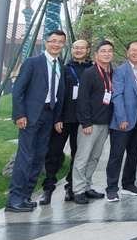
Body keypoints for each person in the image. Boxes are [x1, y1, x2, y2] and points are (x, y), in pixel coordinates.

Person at [6, 29, 68, 212]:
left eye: (60, 42)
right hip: (31, 116)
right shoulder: (33, 63)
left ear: (63, 45)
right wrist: (19, 115)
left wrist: (57, 118)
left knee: (39, 157)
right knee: (25, 157)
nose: (56, 44)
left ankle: (25, 196)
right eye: (53, 41)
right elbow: (18, 90)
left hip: (49, 116)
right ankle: (14, 199)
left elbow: (59, 94)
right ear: (46, 42)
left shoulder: (60, 66)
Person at [39, 37, 90, 205]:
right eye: (76, 48)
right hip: (63, 119)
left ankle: (71, 186)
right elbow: (57, 94)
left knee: (78, 155)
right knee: (53, 153)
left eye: (82, 48)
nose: (79, 50)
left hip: (82, 121)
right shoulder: (63, 68)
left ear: (87, 50)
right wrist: (58, 117)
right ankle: (48, 188)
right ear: (71, 49)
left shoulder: (92, 69)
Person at [72, 41, 116, 205]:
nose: (106, 54)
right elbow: (82, 99)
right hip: (90, 124)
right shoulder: (90, 73)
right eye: (103, 51)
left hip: (105, 123)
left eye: (109, 51)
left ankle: (87, 186)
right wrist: (85, 122)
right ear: (96, 55)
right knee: (82, 158)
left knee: (95, 157)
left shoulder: (112, 73)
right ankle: (78, 190)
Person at [104, 41, 137, 202]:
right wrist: (122, 118)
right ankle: (112, 188)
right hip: (123, 121)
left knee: (134, 154)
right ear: (127, 52)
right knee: (116, 155)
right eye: (132, 50)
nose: (136, 53)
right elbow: (117, 95)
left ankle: (128, 184)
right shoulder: (120, 71)